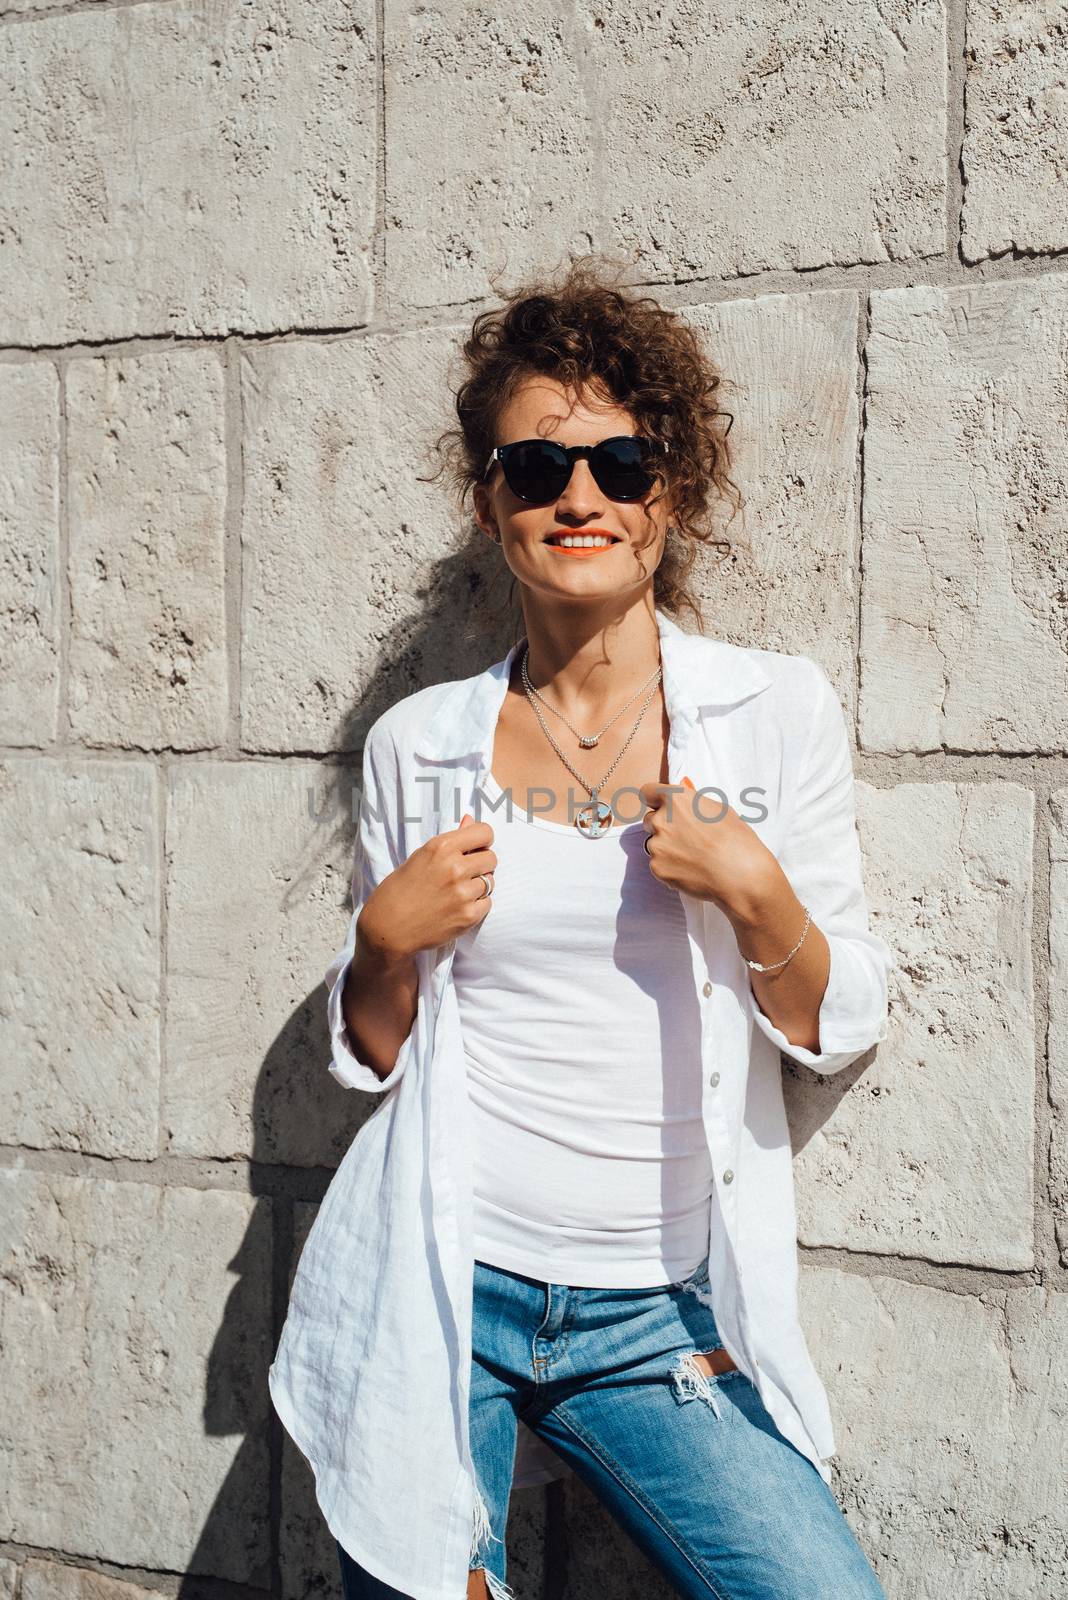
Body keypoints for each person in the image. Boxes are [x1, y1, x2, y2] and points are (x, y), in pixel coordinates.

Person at [268, 257, 894, 1600]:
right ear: (487, 497)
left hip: (661, 1321)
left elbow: (839, 1028)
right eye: (537, 470)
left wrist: (757, 892)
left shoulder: (770, 713)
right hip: (451, 1290)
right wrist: (381, 945)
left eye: (620, 462)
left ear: (670, 486)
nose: (581, 499)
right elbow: (374, 1057)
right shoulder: (420, 746)